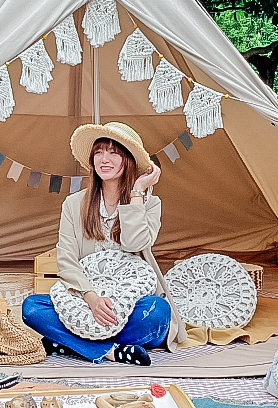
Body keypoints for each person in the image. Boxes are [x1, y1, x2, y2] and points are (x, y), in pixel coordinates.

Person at [21, 122, 188, 365]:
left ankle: (69, 343)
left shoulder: (150, 203)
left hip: (130, 301)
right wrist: (91, 298)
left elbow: (134, 244)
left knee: (157, 312)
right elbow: (66, 260)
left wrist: (138, 191)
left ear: (128, 160)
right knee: (32, 308)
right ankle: (111, 350)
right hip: (84, 300)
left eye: (114, 152)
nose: (104, 159)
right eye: (99, 152)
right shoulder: (73, 204)